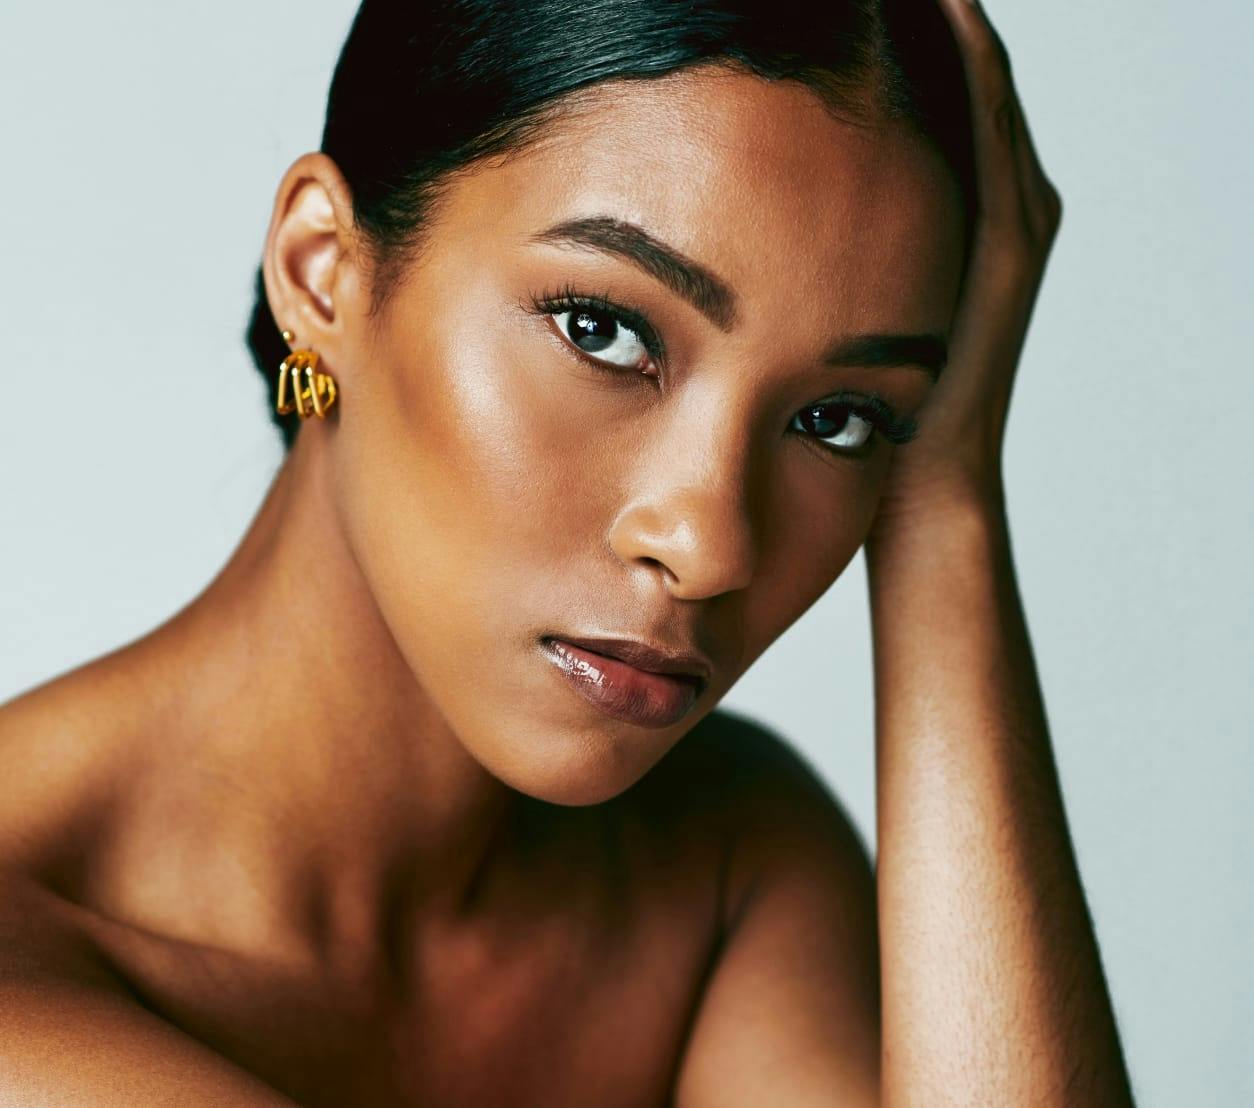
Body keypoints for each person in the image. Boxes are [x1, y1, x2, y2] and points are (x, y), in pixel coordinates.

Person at [0, 0, 1135, 1103]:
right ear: (321, 272)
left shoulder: (729, 871)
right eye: (604, 329)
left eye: (839, 418)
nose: (708, 545)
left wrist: (942, 500)